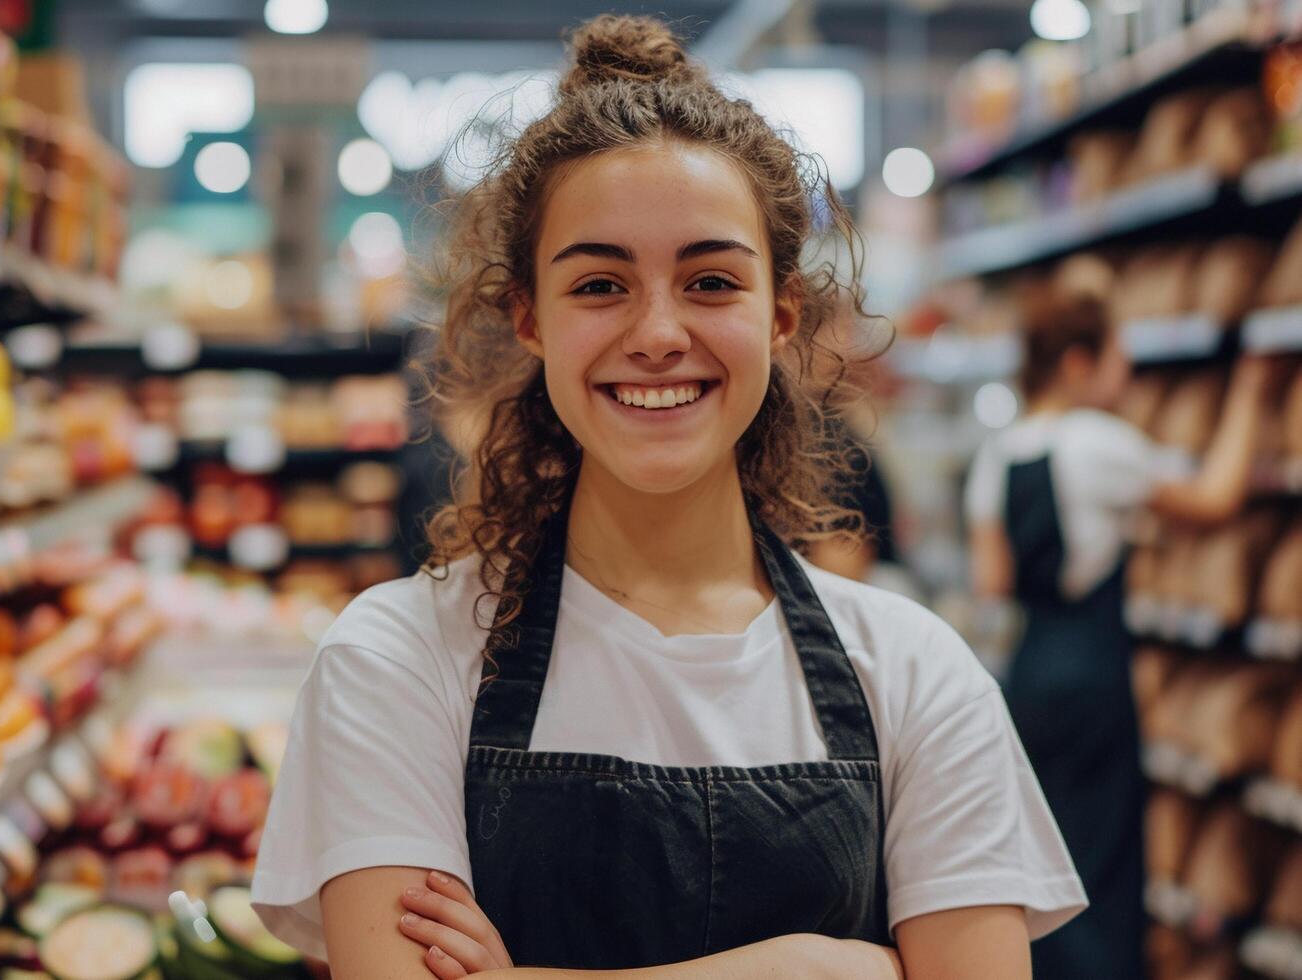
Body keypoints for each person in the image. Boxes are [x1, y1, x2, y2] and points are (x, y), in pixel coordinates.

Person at [253, 15, 1086, 979]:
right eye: (601, 283)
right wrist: (819, 970)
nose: (657, 333)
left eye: (710, 281)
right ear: (529, 317)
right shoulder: (395, 661)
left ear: (779, 316)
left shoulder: (916, 675)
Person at [965, 292, 1278, 978]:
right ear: (1079, 365)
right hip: (1092, 673)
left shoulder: (998, 454)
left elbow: (992, 581)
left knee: (1042, 857)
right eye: (1119, 361)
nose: (1128, 378)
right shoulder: (1097, 443)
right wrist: (1249, 393)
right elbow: (1213, 499)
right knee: (1101, 865)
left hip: (1029, 670)